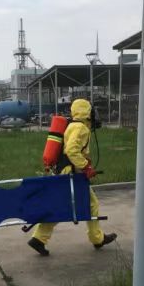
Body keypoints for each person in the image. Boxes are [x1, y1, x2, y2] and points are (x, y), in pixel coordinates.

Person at [28, 99, 117, 256]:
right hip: (72, 174)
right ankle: (97, 239)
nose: (94, 114)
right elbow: (71, 150)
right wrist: (86, 166)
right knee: (92, 204)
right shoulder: (81, 128)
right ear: (86, 112)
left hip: (66, 171)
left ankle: (39, 239)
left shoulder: (72, 125)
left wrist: (84, 163)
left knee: (60, 206)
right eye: (91, 111)